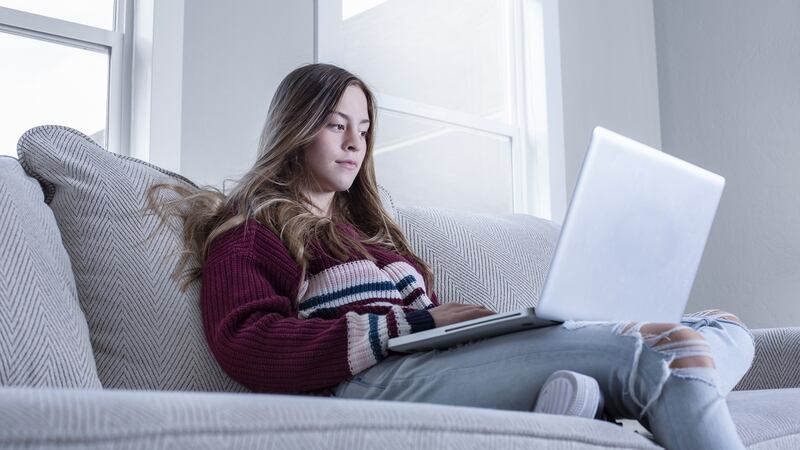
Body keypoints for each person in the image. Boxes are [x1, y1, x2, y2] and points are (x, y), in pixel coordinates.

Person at [144, 63, 755, 450]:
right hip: (369, 389)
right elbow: (246, 344)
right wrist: (414, 324)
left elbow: (422, 329)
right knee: (664, 351)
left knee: (724, 328)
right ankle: (583, 402)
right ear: (295, 129)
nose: (357, 142)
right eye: (336, 124)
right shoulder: (253, 227)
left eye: (363, 127)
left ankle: (570, 406)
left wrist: (476, 328)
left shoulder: (374, 236)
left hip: (432, 367)